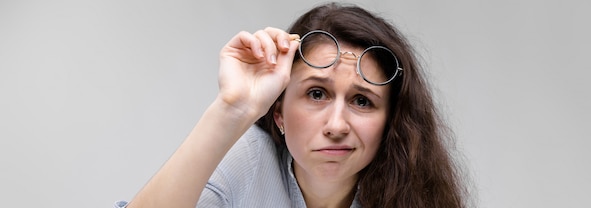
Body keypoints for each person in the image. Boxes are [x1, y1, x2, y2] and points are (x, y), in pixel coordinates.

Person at [116, 2, 469, 208]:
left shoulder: (411, 193)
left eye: (362, 100)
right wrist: (232, 107)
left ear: (390, 123)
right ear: (279, 112)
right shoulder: (246, 164)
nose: (336, 125)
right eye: (317, 93)